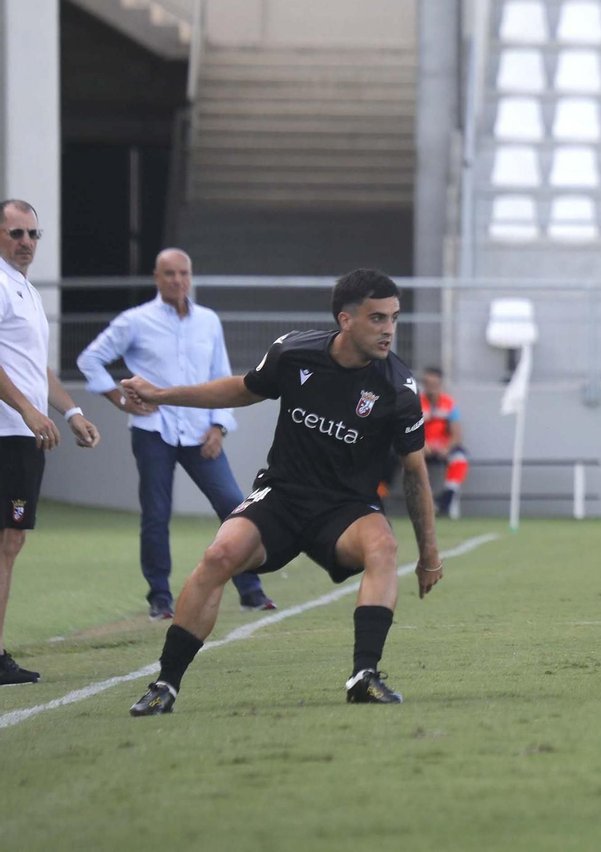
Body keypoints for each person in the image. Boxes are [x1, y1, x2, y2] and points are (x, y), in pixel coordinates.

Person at [120, 269, 442, 715]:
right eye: (377, 318)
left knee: (383, 547)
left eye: (394, 318)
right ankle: (165, 685)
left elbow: (415, 472)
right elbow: (241, 390)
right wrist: (161, 394)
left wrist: (429, 555)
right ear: (345, 320)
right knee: (218, 556)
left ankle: (364, 677)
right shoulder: (293, 353)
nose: (389, 329)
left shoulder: (398, 389)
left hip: (346, 507)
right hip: (282, 496)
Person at [76, 248, 275, 619]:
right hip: (153, 431)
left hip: (202, 432)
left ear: (190, 276)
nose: (178, 280)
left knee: (235, 507)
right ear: (156, 277)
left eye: (183, 273)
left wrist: (219, 426)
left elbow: (221, 375)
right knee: (156, 515)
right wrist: (120, 401)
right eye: (169, 273)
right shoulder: (135, 321)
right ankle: (160, 599)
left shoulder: (209, 321)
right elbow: (90, 359)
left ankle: (251, 592)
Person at [0, 199, 101, 685]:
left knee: (10, 541)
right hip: (8, 432)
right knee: (8, 540)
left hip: (22, 433)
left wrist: (72, 411)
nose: (26, 242)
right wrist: (26, 409)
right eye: (16, 233)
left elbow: (34, 367)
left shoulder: (27, 290)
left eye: (32, 234)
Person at [419, 367, 470, 518]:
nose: (431, 387)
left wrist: (447, 448)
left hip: (443, 448)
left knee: (460, 458)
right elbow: (409, 429)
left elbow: (457, 434)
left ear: (440, 384)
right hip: (423, 448)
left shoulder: (449, 404)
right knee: (413, 462)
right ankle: (424, 504)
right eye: (428, 383)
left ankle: (447, 498)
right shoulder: (416, 403)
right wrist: (422, 445)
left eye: (434, 384)